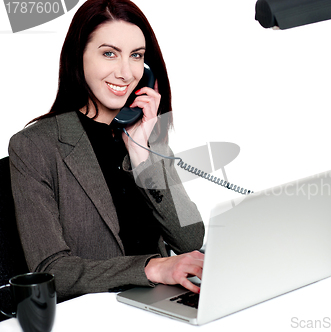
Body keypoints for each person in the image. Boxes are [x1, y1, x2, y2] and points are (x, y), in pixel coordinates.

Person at [8, 0, 205, 302]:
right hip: (98, 312)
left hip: (162, 302)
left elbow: (191, 240)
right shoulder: (35, 146)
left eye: (136, 56)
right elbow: (52, 270)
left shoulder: (145, 134)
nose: (126, 73)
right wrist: (152, 268)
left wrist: (146, 157)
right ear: (79, 57)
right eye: (109, 54)